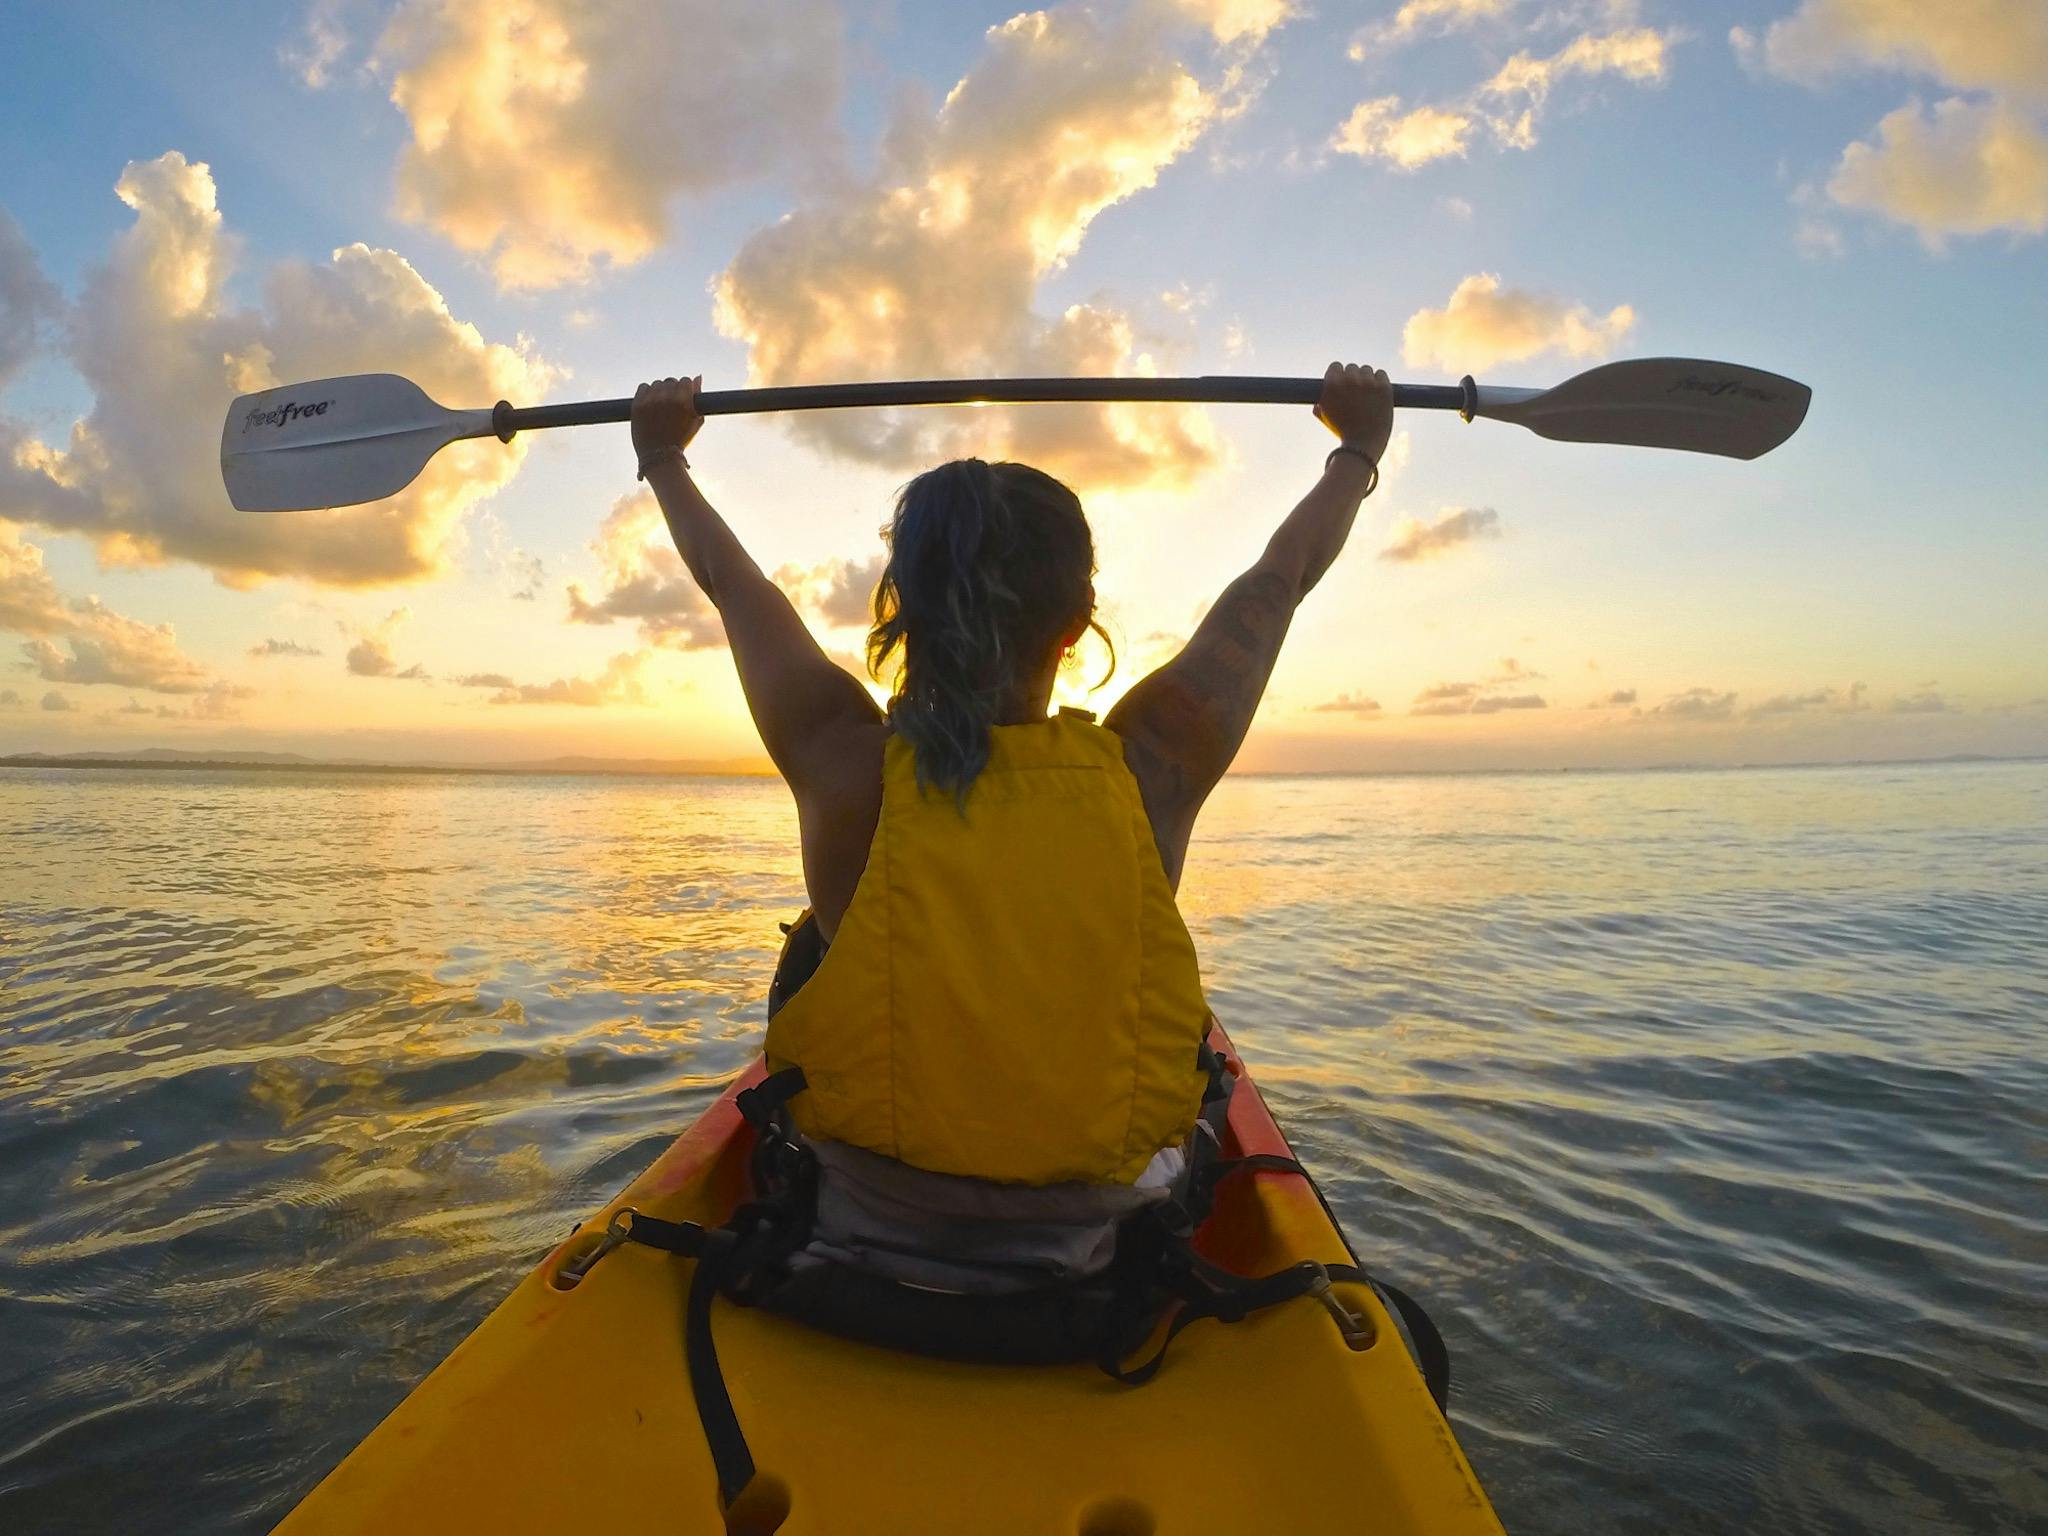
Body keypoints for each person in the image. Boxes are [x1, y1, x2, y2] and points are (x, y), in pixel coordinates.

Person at [629, 363, 1393, 1260]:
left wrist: (661, 457)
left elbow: (729, 579)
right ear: (1079, 622)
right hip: (1095, 1247)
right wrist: (1357, 451)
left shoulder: (840, 756)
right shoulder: (1156, 760)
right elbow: (1282, 577)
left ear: (900, 610)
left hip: (855, 1230)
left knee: (814, 946)